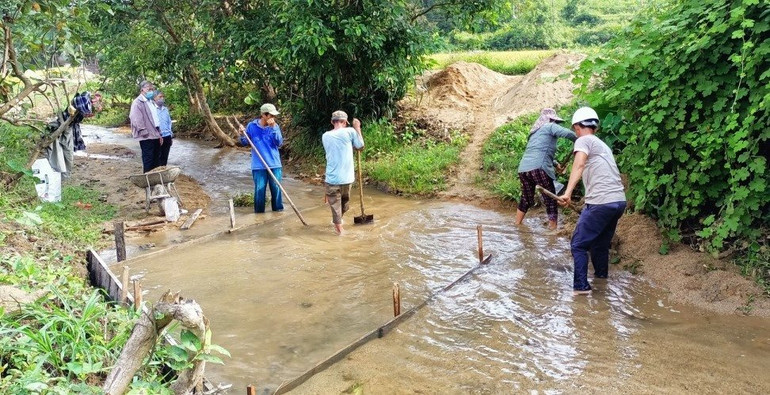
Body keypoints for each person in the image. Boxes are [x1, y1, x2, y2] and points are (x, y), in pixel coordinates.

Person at [558, 107, 626, 295]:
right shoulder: (603, 145)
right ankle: (601, 280)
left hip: (601, 202)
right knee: (600, 244)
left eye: (575, 129)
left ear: (578, 127)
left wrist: (568, 193)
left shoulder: (583, 140)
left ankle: (581, 288)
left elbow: (579, 164)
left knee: (578, 244)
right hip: (618, 201)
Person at [515, 108, 576, 230]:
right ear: (550, 120)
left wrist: (555, 164)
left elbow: (539, 152)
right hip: (539, 168)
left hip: (524, 169)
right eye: (555, 122)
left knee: (526, 198)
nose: (556, 124)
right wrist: (580, 138)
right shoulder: (550, 126)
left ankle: (517, 224)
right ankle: (553, 230)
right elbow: (567, 133)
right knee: (550, 199)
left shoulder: (534, 134)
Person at [322, 110, 364, 235]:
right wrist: (357, 128)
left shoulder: (325, 135)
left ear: (332, 122)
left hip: (338, 178)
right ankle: (340, 231)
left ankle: (337, 221)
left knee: (342, 206)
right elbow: (360, 146)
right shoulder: (350, 131)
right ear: (345, 122)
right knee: (339, 205)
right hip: (342, 178)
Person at [239, 103, 284, 213]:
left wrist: (273, 128)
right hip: (258, 165)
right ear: (264, 115)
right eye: (271, 115)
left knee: (277, 190)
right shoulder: (252, 126)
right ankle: (259, 216)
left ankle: (278, 214)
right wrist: (241, 134)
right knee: (259, 191)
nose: (273, 118)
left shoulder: (275, 127)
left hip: (274, 164)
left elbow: (279, 143)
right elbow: (245, 143)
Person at [129, 81, 163, 172]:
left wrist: (159, 134)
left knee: (156, 159)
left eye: (152, 89)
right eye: (149, 88)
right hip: (146, 136)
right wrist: (144, 131)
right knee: (149, 159)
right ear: (142, 89)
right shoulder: (137, 102)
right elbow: (135, 118)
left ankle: (155, 180)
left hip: (155, 134)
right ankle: (148, 180)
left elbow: (155, 119)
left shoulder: (150, 102)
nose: (151, 90)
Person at [154, 91, 173, 166]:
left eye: (163, 97)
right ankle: (157, 174)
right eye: (160, 97)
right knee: (157, 157)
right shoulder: (152, 109)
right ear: (155, 98)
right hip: (158, 137)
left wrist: (170, 136)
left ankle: (163, 173)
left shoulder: (165, 109)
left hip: (167, 136)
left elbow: (169, 122)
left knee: (165, 157)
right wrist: (157, 135)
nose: (162, 98)